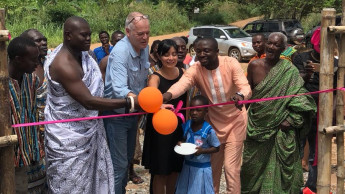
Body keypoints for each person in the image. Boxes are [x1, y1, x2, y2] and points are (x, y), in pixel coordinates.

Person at [44, 16, 134, 193]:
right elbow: (88, 101)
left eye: (89, 35)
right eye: (83, 35)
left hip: (91, 132)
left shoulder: (85, 58)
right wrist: (129, 102)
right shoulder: (63, 63)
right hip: (67, 140)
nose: (88, 39)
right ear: (68, 35)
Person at [163, 37, 251, 193]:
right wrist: (167, 96)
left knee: (232, 169)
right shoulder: (195, 69)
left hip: (236, 122)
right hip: (213, 125)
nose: (201, 54)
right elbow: (182, 85)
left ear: (217, 52)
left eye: (206, 51)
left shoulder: (231, 63)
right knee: (212, 169)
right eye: (198, 51)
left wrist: (240, 96)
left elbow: (245, 87)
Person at [241, 32, 316, 193]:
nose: (271, 47)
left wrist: (291, 119)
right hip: (257, 127)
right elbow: (248, 92)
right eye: (269, 43)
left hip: (282, 130)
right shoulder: (254, 66)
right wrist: (240, 104)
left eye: (276, 45)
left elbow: (302, 101)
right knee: (251, 169)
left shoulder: (289, 70)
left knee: (283, 173)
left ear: (283, 49)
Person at [103, 12, 150, 194]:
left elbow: (144, 78)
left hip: (134, 112)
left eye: (147, 32)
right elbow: (120, 89)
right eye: (140, 34)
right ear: (128, 32)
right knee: (119, 165)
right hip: (117, 115)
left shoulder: (144, 47)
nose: (145, 37)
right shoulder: (120, 52)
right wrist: (150, 103)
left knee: (128, 160)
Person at [142, 39, 187, 194]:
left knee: (175, 169)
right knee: (160, 171)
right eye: (166, 54)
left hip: (178, 129)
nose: (171, 58)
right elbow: (151, 97)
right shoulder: (154, 77)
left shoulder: (184, 74)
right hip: (159, 130)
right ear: (159, 56)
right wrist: (158, 105)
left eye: (174, 54)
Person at [8, 37, 45, 193]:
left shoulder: (32, 80)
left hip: (31, 153)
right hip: (9, 159)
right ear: (18, 59)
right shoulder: (3, 84)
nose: (37, 63)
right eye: (33, 60)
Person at [175, 95, 220, 194]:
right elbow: (183, 138)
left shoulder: (208, 130)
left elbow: (217, 148)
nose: (194, 113)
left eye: (198, 110)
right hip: (186, 167)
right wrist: (180, 143)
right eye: (192, 110)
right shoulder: (187, 125)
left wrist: (203, 151)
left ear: (206, 111)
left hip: (202, 169)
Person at [20, 29, 48, 132]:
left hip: (52, 124)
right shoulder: (21, 69)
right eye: (38, 40)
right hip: (29, 126)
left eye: (44, 40)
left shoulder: (49, 63)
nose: (44, 43)